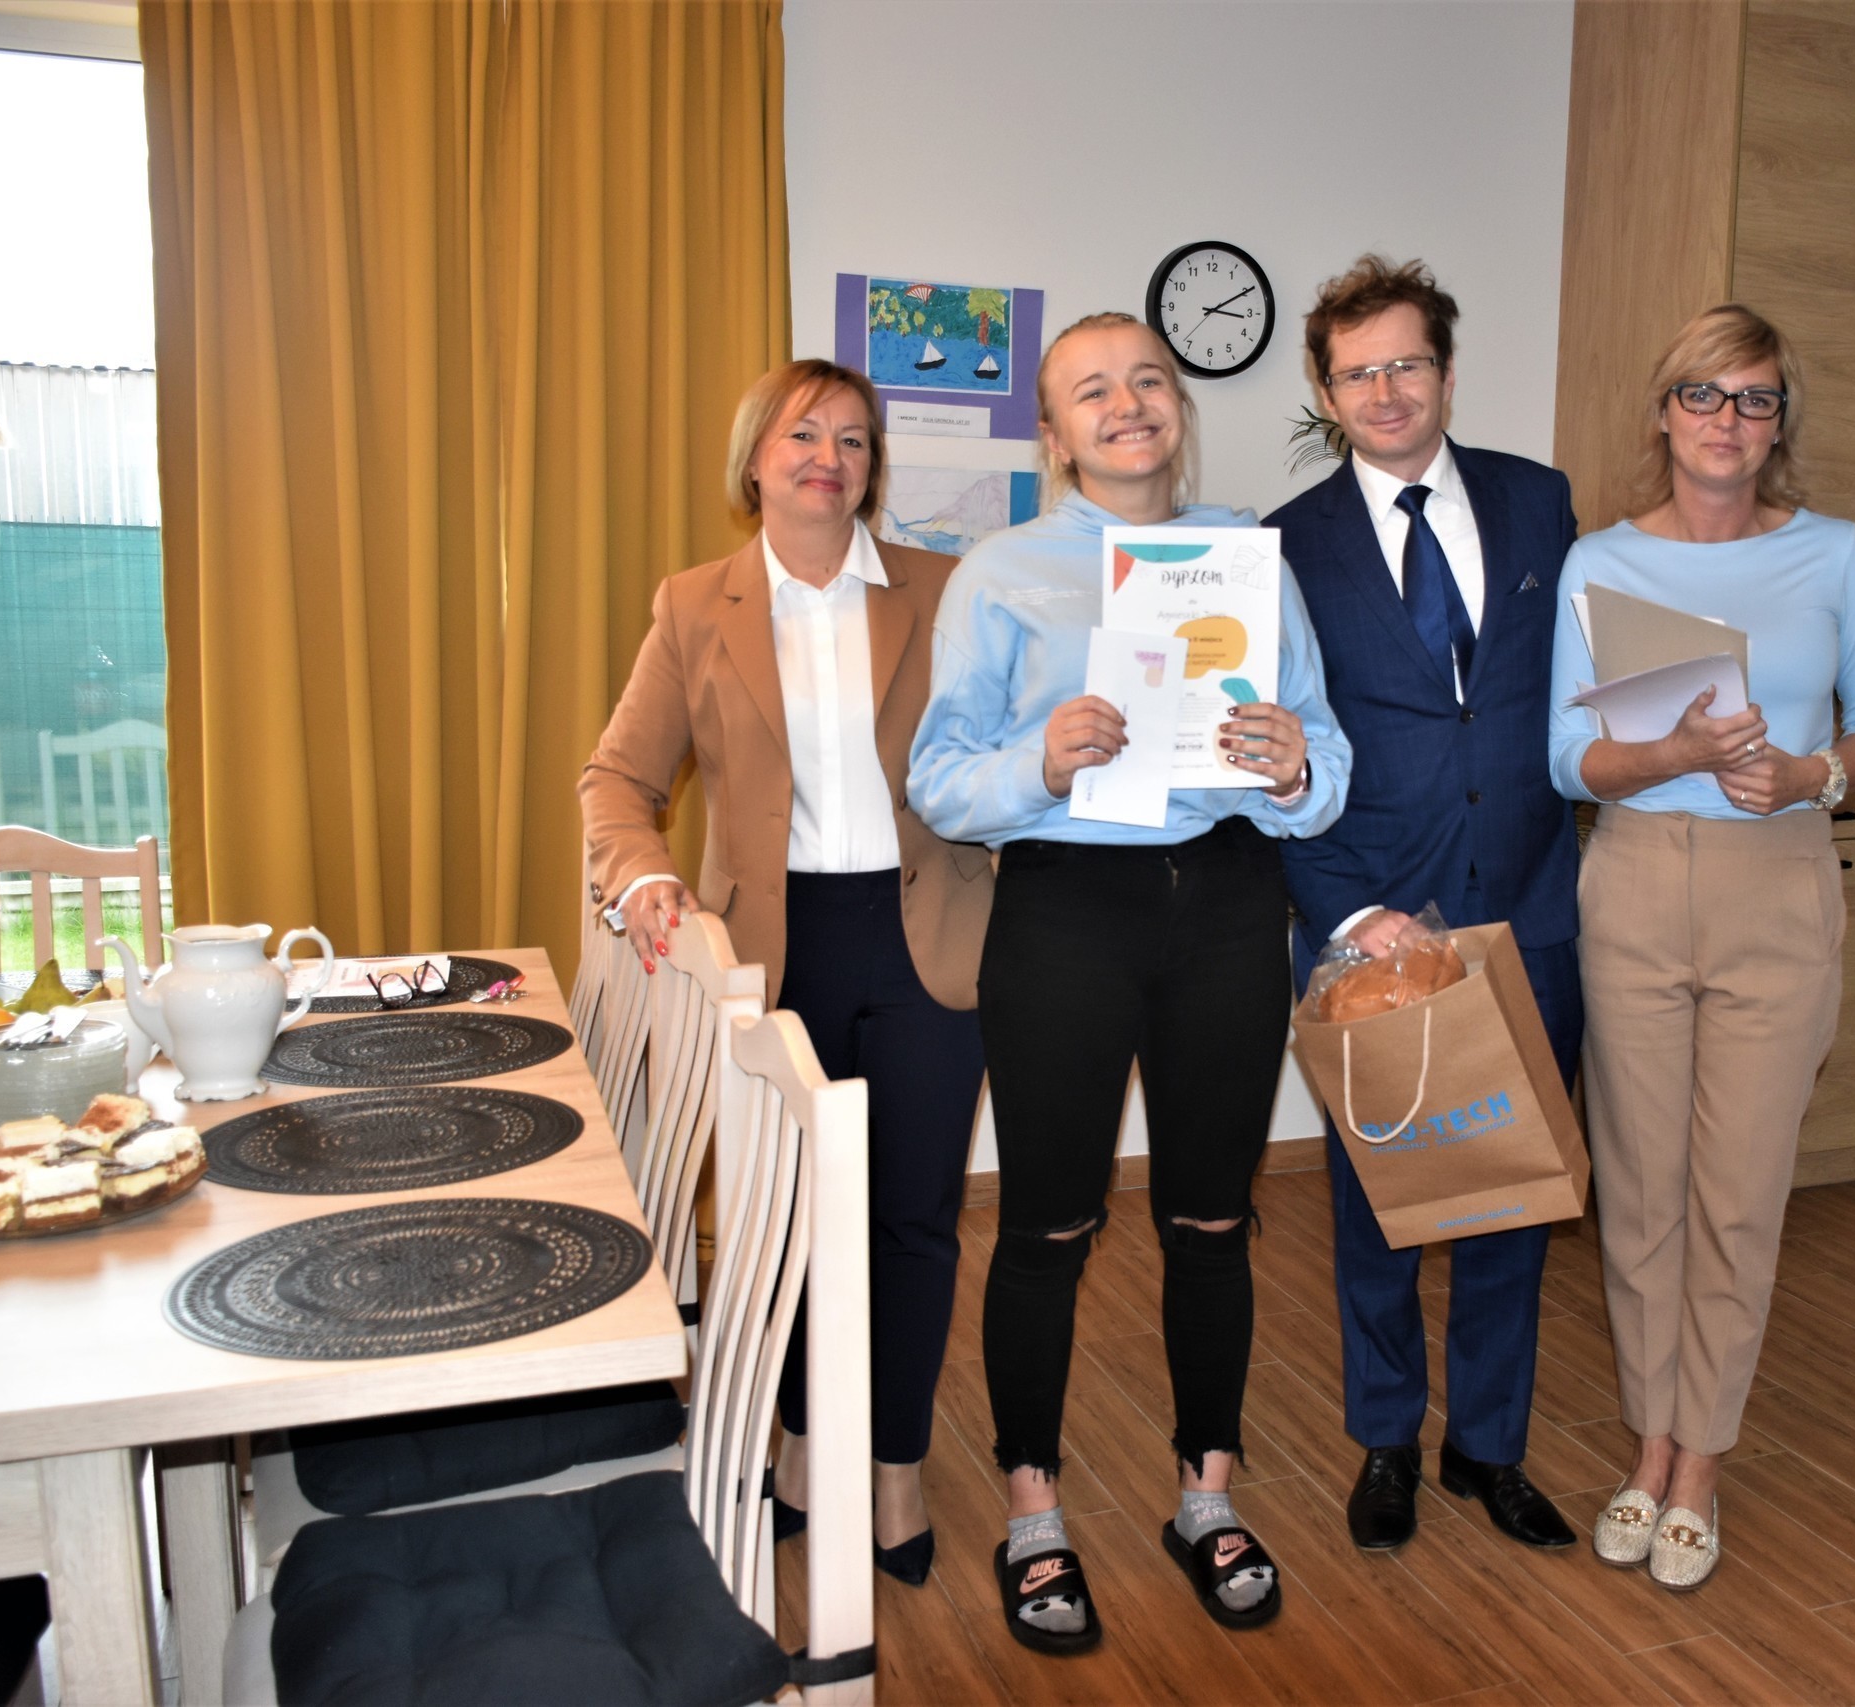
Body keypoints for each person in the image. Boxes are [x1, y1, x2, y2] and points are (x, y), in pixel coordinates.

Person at [909, 311, 1350, 1655]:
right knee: (1046, 1225)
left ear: (1178, 407)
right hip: (1066, 911)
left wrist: (1293, 764)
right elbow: (939, 779)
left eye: (1147, 380)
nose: (1128, 404)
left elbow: (1325, 760)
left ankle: (1206, 1495)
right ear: (1056, 434)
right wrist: (1039, 762)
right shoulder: (1000, 571)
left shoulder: (1247, 561)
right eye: (1092, 390)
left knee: (1213, 1217)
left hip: (1225, 903)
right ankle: (1033, 1509)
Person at [578, 358, 991, 1587]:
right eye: (804, 435)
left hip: (929, 939)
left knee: (912, 1219)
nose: (829, 458)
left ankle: (897, 1463)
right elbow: (617, 781)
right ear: (755, 459)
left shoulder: (943, 591)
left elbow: (999, 754)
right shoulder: (693, 605)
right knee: (799, 1221)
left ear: (872, 469)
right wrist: (642, 878)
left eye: (853, 440)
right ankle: (806, 1444)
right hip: (775, 950)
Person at [1548, 304, 1855, 1588]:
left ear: (1777, 423)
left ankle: (1700, 1462)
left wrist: (1815, 773)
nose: (1727, 420)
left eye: (1755, 399)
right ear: (1664, 414)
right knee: (1640, 1193)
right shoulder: (1597, 561)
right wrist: (1673, 752)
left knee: (1738, 1197)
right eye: (1703, 394)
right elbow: (1566, 757)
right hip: (1637, 879)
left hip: (1777, 887)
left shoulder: (1834, 554)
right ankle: (1648, 1444)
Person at [1265, 256, 1585, 1557]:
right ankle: (1387, 1440)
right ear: (1327, 393)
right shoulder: (1285, 544)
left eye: (1406, 363)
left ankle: (1489, 1448)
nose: (1386, 390)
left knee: (1516, 1194)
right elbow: (1274, 750)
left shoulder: (1539, 501)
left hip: (1530, 907)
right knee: (1375, 1202)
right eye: (1358, 372)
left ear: (1446, 373)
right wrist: (1349, 913)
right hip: (1370, 919)